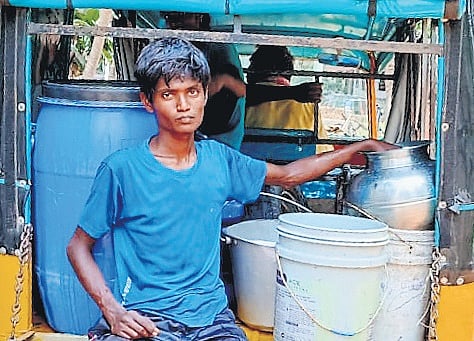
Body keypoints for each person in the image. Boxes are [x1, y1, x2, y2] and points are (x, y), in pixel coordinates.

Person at [66, 37, 397, 341]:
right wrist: (112, 310)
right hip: (147, 317)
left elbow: (287, 175)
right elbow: (78, 247)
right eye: (169, 94)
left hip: (210, 320)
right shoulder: (121, 169)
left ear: (205, 95)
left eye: (192, 92)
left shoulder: (220, 160)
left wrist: (358, 147)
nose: (183, 105)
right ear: (148, 101)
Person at [163, 11, 323, 150]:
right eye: (169, 16)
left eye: (182, 15)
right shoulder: (309, 108)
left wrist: (294, 92)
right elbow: (322, 147)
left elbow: (236, 90)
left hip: (216, 140)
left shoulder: (218, 49)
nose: (174, 21)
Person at [245, 45, 333, 154]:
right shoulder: (309, 105)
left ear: (253, 71)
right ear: (289, 73)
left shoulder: (241, 99)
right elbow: (323, 150)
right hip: (297, 169)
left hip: (249, 167)